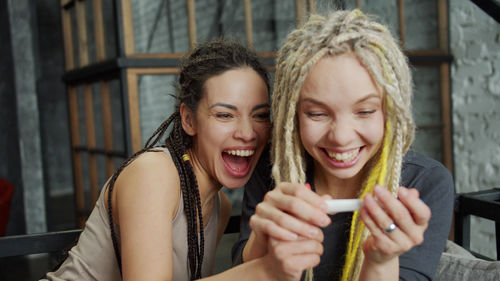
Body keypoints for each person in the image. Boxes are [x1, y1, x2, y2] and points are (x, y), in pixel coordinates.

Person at [42, 39, 323, 281]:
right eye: (225, 115)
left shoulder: (219, 206)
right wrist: (265, 270)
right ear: (189, 120)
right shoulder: (154, 173)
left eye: (260, 115)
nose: (247, 133)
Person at [232, 9, 455, 281]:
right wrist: (263, 242)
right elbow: (245, 268)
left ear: (391, 111)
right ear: (292, 115)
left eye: (365, 112)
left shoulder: (425, 183)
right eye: (317, 113)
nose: (341, 137)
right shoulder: (273, 170)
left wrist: (381, 259)